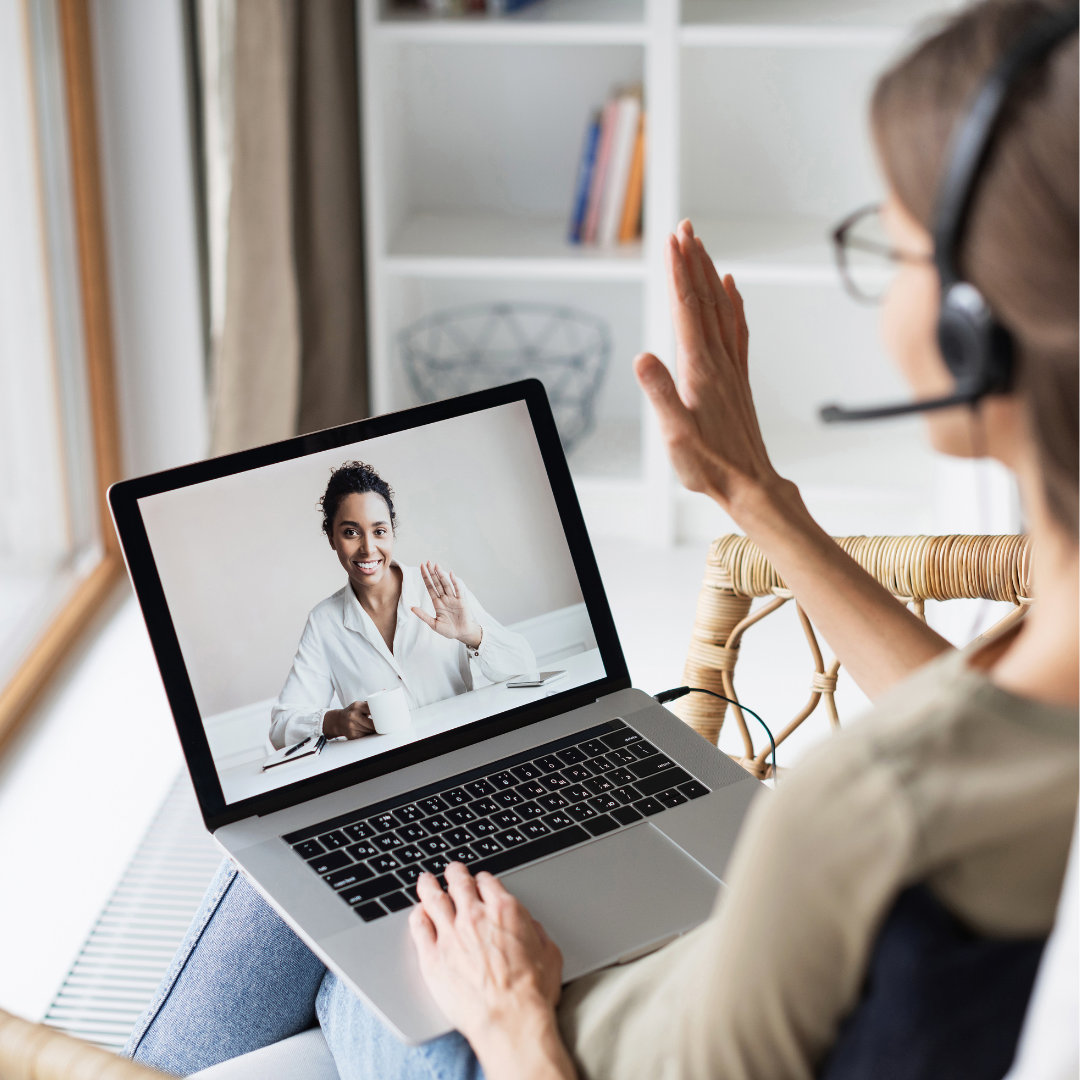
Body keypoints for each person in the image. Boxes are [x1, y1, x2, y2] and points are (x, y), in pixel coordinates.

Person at [126, 2, 1078, 1077]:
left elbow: (530, 674)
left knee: (303, 890)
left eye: (897, 248)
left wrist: (511, 1016)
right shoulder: (1021, 736)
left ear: (974, 326)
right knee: (314, 846)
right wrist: (754, 493)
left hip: (541, 1046)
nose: (365, 548)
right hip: (648, 965)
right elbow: (975, 736)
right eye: (347, 535)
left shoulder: (863, 816)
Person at [269, 460, 537, 748]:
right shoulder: (324, 622)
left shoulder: (439, 591)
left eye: (379, 531)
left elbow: (525, 669)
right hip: (391, 770)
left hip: (468, 749)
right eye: (350, 532)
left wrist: (472, 635)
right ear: (332, 538)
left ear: (392, 532)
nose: (368, 548)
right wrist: (334, 721)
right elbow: (280, 727)